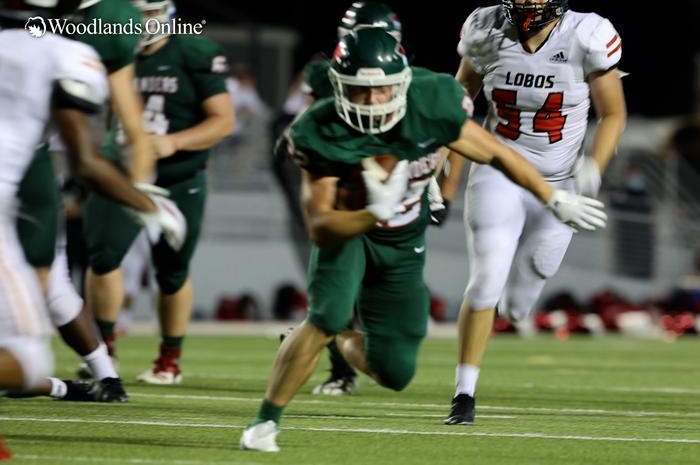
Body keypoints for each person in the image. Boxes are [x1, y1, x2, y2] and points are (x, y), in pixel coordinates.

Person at [238, 27, 607, 453]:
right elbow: (320, 225)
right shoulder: (319, 128)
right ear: (339, 87)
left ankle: (335, 339)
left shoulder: (428, 104)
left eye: (382, 89)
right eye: (359, 90)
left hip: (402, 245)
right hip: (349, 235)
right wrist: (371, 212)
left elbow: (496, 152)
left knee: (394, 372)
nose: (373, 101)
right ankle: (265, 422)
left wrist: (553, 197)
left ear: (402, 82)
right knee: (327, 313)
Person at [0, 0, 185, 450]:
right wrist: (147, 204)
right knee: (26, 354)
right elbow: (85, 161)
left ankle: (85, 383)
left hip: (22, 184)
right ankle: (91, 380)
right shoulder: (70, 50)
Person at [444, 0, 627, 425]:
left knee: (520, 304)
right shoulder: (486, 26)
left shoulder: (587, 33)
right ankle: (464, 393)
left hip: (559, 183)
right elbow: (453, 107)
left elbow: (613, 113)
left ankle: (510, 309)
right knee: (486, 279)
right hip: (497, 173)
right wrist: (442, 180)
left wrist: (593, 170)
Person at [13, 0, 156, 402]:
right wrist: (145, 201)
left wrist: (141, 190)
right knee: (50, 291)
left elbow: (126, 126)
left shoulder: (106, 25)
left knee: (52, 289)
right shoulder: (62, 44)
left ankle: (97, 378)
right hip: (35, 160)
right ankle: (86, 381)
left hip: (31, 163)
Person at [85, 0, 234, 385]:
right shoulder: (112, 47)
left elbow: (223, 121)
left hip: (178, 175)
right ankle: (103, 351)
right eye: (134, 16)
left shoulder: (196, 51)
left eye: (149, 15)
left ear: (167, 14)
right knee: (103, 257)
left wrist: (173, 142)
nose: (142, 25)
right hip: (122, 172)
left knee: (172, 271)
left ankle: (169, 358)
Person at [276, 0, 411, 396]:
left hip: (386, 185)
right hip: (339, 185)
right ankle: (339, 369)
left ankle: (345, 354)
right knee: (334, 289)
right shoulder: (323, 72)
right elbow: (300, 122)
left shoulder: (402, 73)